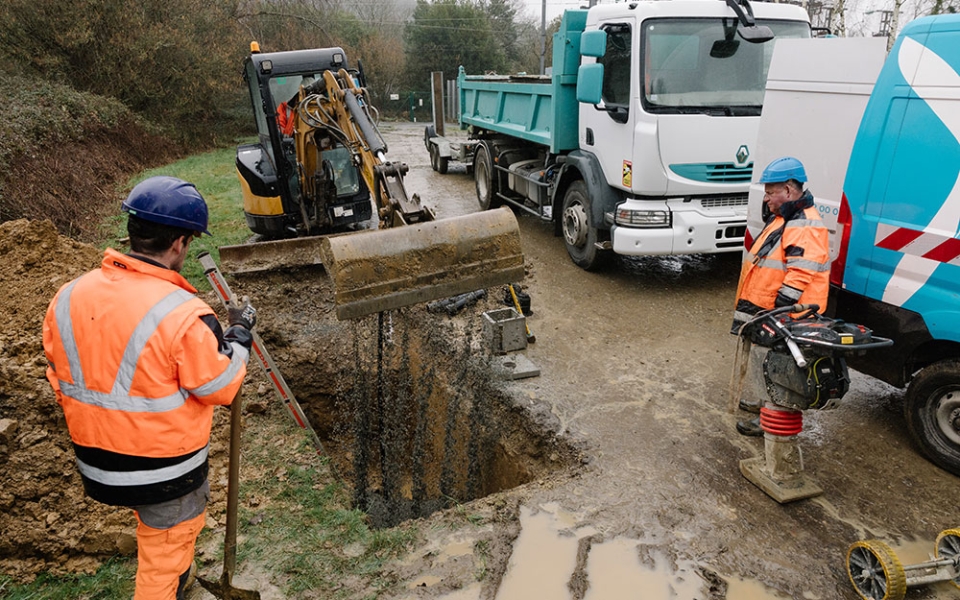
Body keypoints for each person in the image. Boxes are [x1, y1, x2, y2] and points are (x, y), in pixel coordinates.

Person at [42, 176, 257, 599]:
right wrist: (238, 337)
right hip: (163, 472)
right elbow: (220, 385)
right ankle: (167, 584)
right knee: (166, 551)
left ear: (133, 231)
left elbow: (57, 373)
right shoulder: (183, 313)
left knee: (161, 534)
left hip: (95, 462)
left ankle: (180, 579)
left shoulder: (68, 295)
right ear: (179, 243)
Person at [731, 157, 830, 436]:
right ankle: (764, 403)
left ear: (788, 190)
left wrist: (780, 311)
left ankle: (771, 418)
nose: (766, 198)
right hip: (772, 310)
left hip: (788, 315)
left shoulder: (803, 223)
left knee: (780, 367)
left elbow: (800, 273)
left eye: (770, 192)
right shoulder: (785, 218)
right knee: (765, 360)